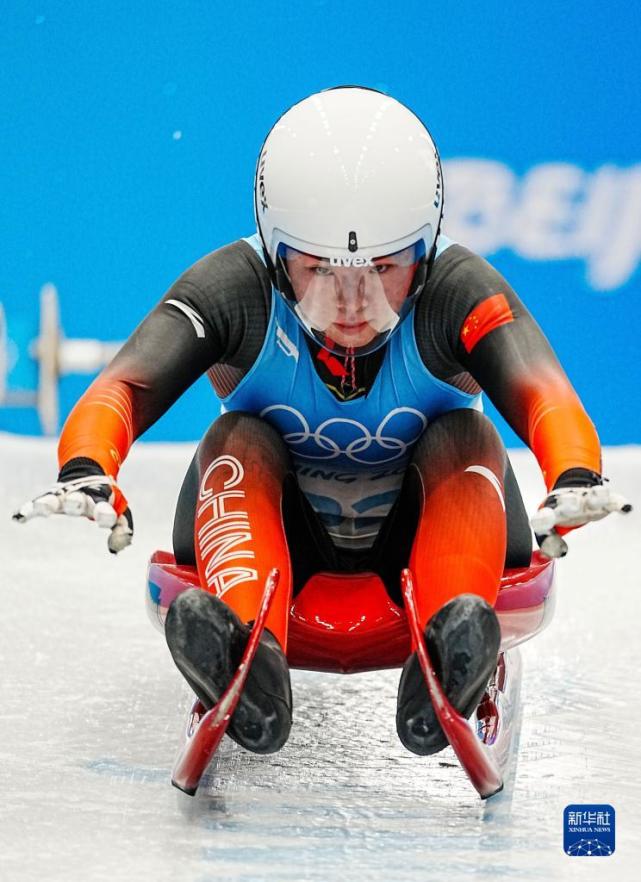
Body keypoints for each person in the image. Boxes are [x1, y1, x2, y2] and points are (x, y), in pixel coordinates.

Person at [14, 86, 631, 758]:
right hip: (280, 546)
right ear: (276, 256)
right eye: (316, 271)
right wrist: (89, 469)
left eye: (382, 270)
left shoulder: (461, 289)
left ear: (423, 255)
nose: (351, 305)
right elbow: (125, 386)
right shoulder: (227, 288)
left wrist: (573, 473)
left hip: (426, 546)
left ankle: (450, 638)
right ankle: (249, 653)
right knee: (236, 439)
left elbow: (544, 393)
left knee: (466, 436)